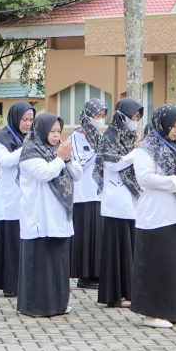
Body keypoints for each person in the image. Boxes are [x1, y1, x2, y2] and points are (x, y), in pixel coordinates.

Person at [130, 105, 176, 329]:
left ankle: (175, 310)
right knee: (157, 266)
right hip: (157, 217)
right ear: (162, 124)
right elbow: (145, 178)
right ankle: (153, 314)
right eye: (173, 126)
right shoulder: (146, 148)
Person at [17, 113, 82, 317]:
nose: (56, 136)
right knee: (40, 262)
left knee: (58, 263)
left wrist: (67, 158)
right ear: (42, 131)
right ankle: (37, 306)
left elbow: (77, 174)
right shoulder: (30, 151)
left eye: (58, 131)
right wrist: (61, 158)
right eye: (52, 131)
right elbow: (45, 173)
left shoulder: (58, 150)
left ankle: (58, 304)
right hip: (40, 216)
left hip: (59, 215)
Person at [95, 98, 143, 309]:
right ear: (122, 116)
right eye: (133, 117)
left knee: (129, 247)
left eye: (138, 117)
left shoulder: (131, 137)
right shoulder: (110, 136)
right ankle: (114, 294)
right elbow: (112, 164)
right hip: (116, 199)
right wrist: (135, 153)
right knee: (116, 248)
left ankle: (129, 291)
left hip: (130, 199)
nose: (135, 121)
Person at [0, 102, 35, 297]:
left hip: (27, 195)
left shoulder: (33, 137)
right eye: (24, 120)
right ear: (15, 119)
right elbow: (4, 161)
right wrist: (25, 149)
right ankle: (11, 284)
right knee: (11, 241)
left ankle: (26, 282)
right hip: (9, 196)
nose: (27, 124)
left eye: (31, 120)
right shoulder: (2, 138)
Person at [70, 99, 107, 290]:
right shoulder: (76, 137)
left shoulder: (99, 137)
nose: (99, 120)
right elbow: (79, 163)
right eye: (97, 116)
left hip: (98, 194)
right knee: (85, 236)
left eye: (102, 117)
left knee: (97, 236)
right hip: (83, 195)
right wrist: (97, 152)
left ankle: (96, 273)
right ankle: (84, 275)